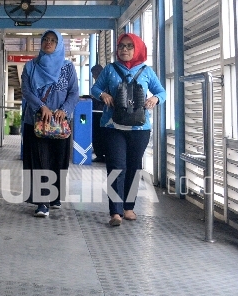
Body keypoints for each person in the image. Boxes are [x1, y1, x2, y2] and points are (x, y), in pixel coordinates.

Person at [91, 33, 166, 227]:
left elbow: (161, 92)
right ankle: (115, 211)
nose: (124, 49)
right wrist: (104, 94)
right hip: (112, 126)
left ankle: (128, 207)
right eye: (121, 46)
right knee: (116, 166)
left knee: (134, 166)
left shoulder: (147, 71)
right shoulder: (109, 69)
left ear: (137, 49)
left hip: (139, 128)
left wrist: (154, 99)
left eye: (129, 46)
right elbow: (95, 89)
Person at [21, 30, 79, 218]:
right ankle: (42, 202)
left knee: (59, 160)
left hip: (60, 122)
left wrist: (65, 109)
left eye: (53, 40)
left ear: (59, 44)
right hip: (36, 121)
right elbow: (26, 91)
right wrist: (41, 106)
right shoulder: (31, 67)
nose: (48, 43)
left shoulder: (68, 68)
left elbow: (74, 92)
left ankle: (54, 196)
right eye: (45, 39)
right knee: (40, 160)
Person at [90, 64, 107, 163]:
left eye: (93, 74)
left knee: (97, 134)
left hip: (99, 113)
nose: (93, 76)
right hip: (99, 112)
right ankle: (101, 154)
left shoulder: (103, 83)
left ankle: (100, 154)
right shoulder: (102, 83)